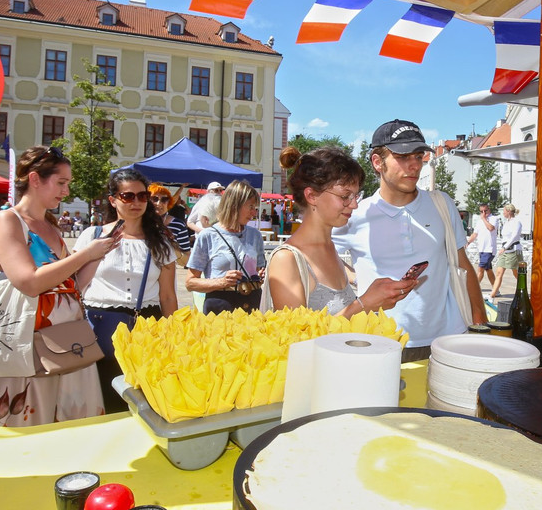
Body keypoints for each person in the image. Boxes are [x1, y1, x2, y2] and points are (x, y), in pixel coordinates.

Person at [0, 146, 120, 426]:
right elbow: (28, 282)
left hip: (65, 345)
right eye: (61, 182)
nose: (66, 191)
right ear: (34, 179)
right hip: (26, 345)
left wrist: (98, 255)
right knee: (26, 425)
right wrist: (85, 254)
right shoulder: (8, 220)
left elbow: (70, 287)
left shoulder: (50, 225)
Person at [333, 119, 487, 360]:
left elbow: (462, 264)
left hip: (448, 339)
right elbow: (321, 254)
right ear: (377, 162)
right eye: (403, 157)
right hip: (382, 342)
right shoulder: (355, 215)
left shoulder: (441, 204)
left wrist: (480, 323)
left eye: (418, 156)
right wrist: (353, 277)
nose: (415, 165)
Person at [264, 146, 413, 314]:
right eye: (345, 196)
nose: (354, 204)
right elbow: (295, 330)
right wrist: (363, 304)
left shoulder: (329, 247)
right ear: (311, 196)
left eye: (355, 196)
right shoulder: (286, 260)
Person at [75, 170, 178, 414]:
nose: (136, 202)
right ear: (113, 200)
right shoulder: (93, 236)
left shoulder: (160, 242)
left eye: (142, 196)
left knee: (143, 399)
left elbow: (167, 296)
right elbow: (75, 284)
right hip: (101, 326)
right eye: (128, 196)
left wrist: (174, 334)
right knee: (102, 397)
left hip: (147, 327)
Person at [186, 180, 267, 314]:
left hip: (252, 305)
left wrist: (260, 276)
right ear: (234, 206)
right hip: (219, 307)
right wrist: (221, 282)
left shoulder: (255, 235)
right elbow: (190, 283)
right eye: (251, 207)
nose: (254, 213)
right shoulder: (208, 236)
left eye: (255, 208)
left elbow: (259, 270)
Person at [148, 183, 192, 265]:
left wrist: (174, 249)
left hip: (166, 269)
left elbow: (186, 261)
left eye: (164, 200)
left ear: (169, 202)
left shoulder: (178, 225)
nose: (159, 203)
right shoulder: (138, 221)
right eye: (154, 199)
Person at [490, 204, 523, 303]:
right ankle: (492, 295)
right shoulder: (506, 222)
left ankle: (522, 291)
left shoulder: (517, 222)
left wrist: (504, 247)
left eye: (504, 211)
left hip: (514, 250)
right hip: (505, 251)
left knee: (516, 273)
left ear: (508, 211)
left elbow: (514, 236)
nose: (503, 213)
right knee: (499, 272)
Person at [465, 203, 498, 295]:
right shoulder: (479, 222)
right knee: (488, 270)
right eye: (481, 211)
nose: (483, 213)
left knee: (480, 269)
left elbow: (491, 228)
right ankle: (496, 289)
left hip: (489, 249)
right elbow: (475, 234)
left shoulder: (494, 219)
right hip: (482, 249)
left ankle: (472, 290)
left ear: (489, 209)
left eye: (485, 211)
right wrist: (468, 242)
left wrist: (484, 219)